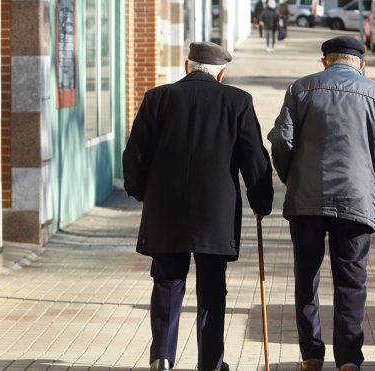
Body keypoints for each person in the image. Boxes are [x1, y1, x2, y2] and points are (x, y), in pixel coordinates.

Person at [123, 41, 274, 371]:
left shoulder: (157, 99)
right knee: (212, 286)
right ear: (221, 73)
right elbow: (255, 159)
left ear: (186, 66)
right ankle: (210, 362)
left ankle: (162, 356)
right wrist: (261, 202)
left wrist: (140, 191)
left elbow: (135, 154)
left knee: (167, 280)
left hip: (166, 209)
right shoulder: (238, 102)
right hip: (215, 213)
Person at [268, 36, 375, 371]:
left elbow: (281, 141)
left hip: (306, 201)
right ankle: (348, 361)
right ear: (360, 64)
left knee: (306, 277)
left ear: (325, 61)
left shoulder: (301, 90)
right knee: (352, 281)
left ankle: (312, 355)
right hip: (356, 200)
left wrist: (291, 178)